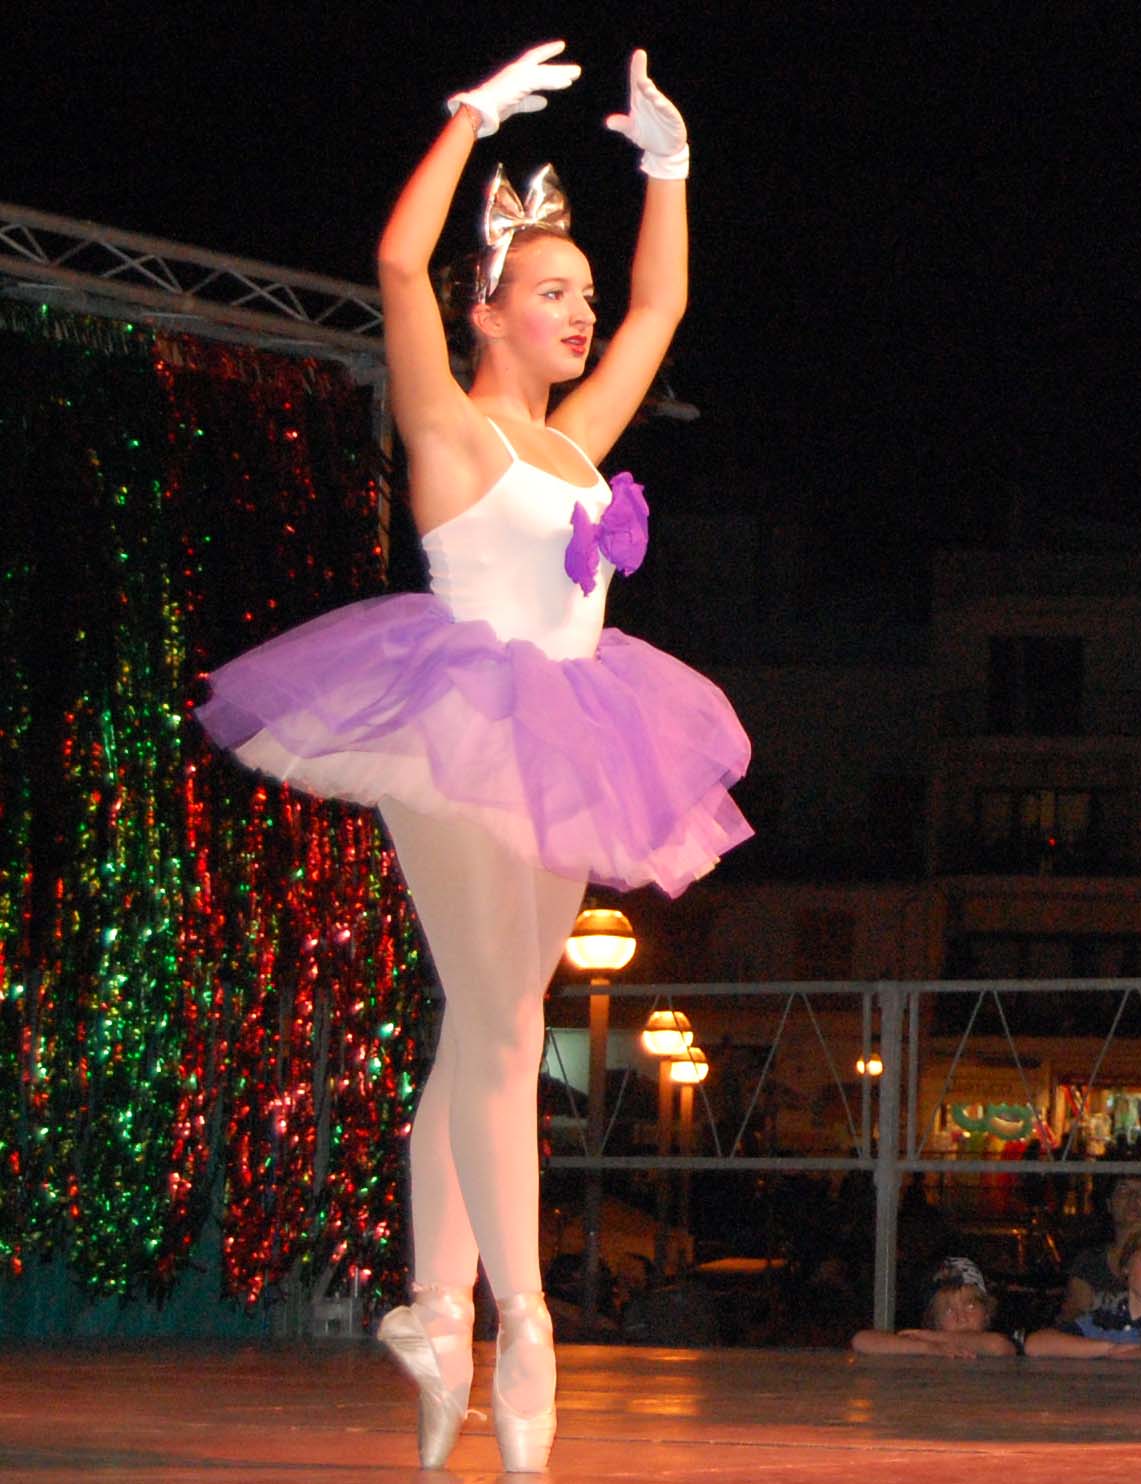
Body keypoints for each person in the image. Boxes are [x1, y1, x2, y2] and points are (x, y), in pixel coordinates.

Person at [196, 42, 746, 1474]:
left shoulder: (577, 444)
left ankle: (438, 1308)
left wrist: (671, 168)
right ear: (486, 309)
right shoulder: (447, 427)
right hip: (449, 722)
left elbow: (663, 306)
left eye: (581, 294)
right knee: (502, 1024)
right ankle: (525, 1321)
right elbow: (395, 262)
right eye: (552, 292)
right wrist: (463, 122)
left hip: (575, 731)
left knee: (487, 1021)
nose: (581, 312)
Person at [1026, 1215, 1141, 1362]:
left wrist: (1130, 1356)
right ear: (1127, 1266)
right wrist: (1108, 1349)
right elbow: (1036, 1344)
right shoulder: (1102, 1318)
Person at [851, 1258, 1019, 1360]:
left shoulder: (1003, 1337)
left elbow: (1000, 1347)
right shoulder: (928, 1343)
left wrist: (934, 1337)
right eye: (949, 1311)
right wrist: (928, 1347)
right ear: (934, 1319)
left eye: (970, 1306)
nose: (961, 1318)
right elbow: (861, 1340)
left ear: (987, 1311)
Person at [1057, 1175, 1141, 1322]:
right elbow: (1073, 1315)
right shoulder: (1090, 1262)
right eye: (1123, 1191)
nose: (1133, 1198)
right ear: (1109, 1204)